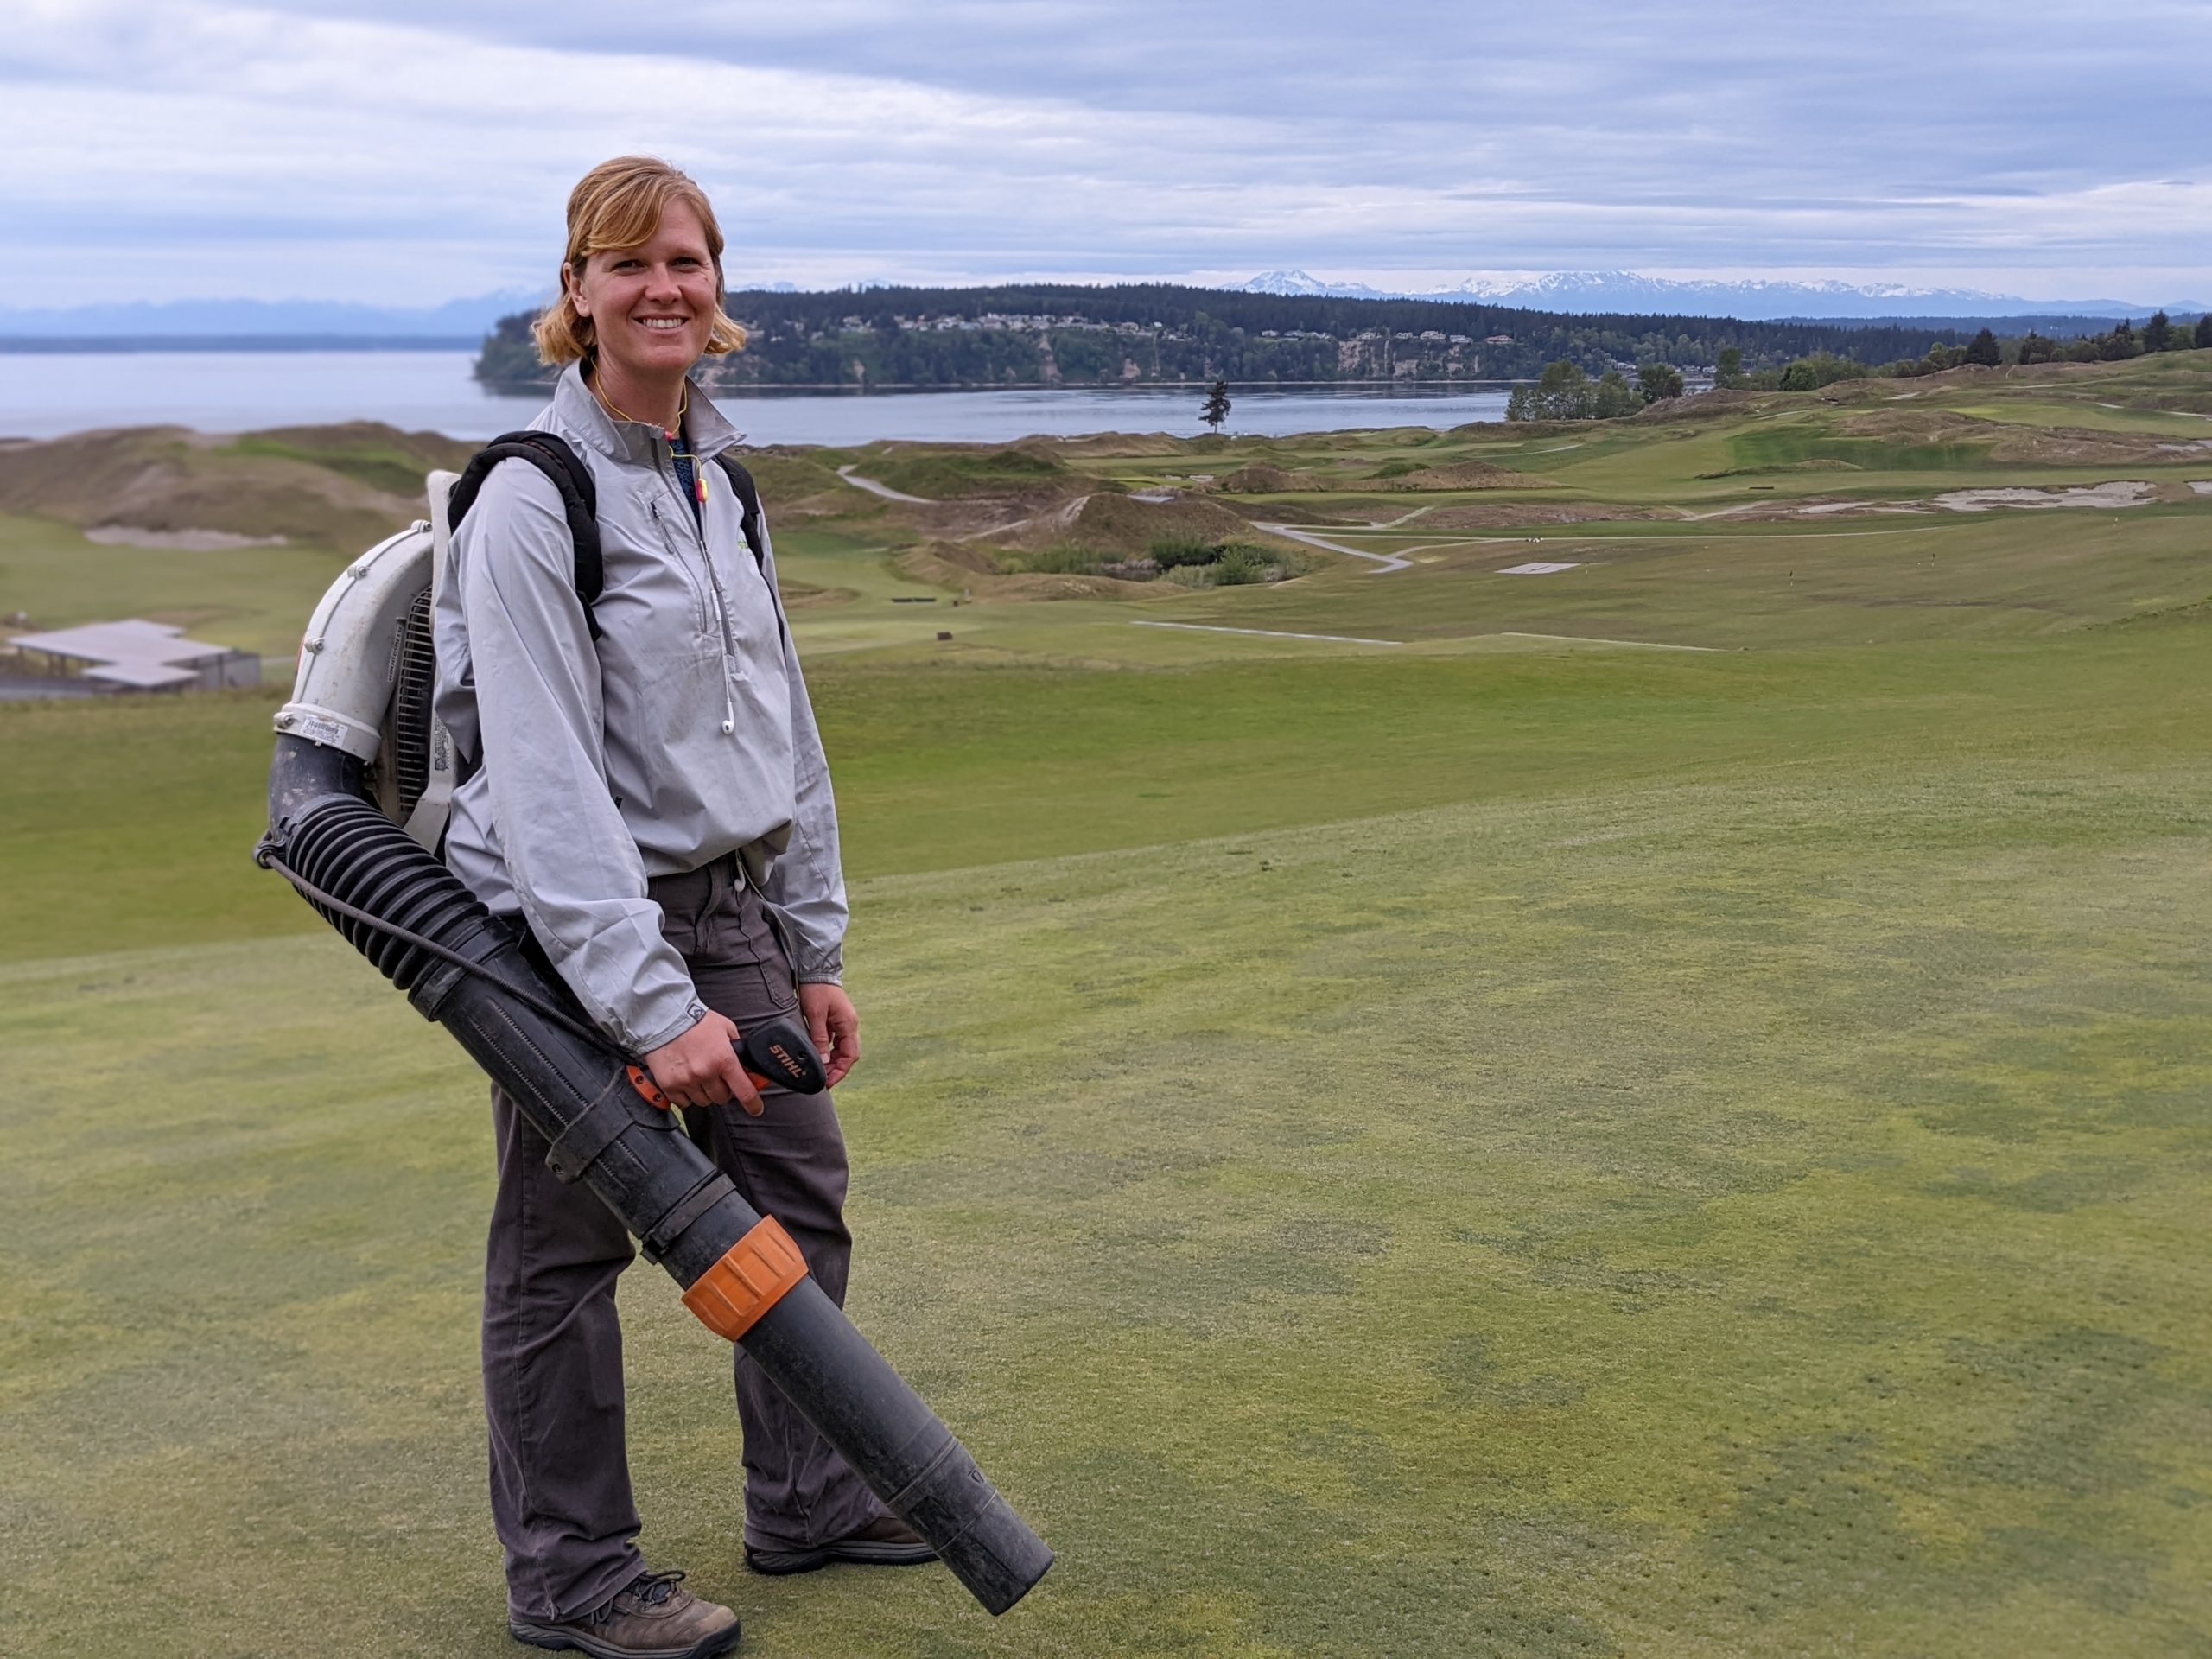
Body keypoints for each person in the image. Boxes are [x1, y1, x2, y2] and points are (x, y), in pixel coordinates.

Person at [433, 156, 931, 1659]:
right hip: (578, 938)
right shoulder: (529, 497)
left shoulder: (723, 485)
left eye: (690, 262)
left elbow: (783, 735)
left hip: (737, 916)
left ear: (720, 292)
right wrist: (649, 1006)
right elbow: (540, 780)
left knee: (799, 1204)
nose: (664, 288)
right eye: (628, 263)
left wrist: (812, 943)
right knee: (565, 1255)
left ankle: (809, 1498)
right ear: (575, 291)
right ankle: (575, 1579)